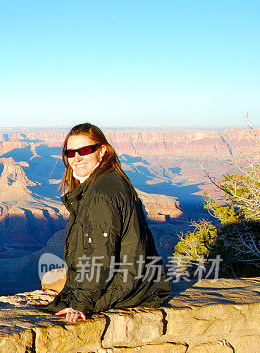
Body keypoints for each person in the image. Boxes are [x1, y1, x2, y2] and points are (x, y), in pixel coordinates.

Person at [42, 123, 171, 323]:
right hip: (136, 278)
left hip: (125, 287)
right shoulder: (112, 179)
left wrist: (80, 304)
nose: (76, 158)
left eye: (84, 150)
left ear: (102, 151)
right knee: (53, 277)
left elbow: (100, 254)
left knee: (50, 280)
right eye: (70, 152)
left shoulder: (99, 196)